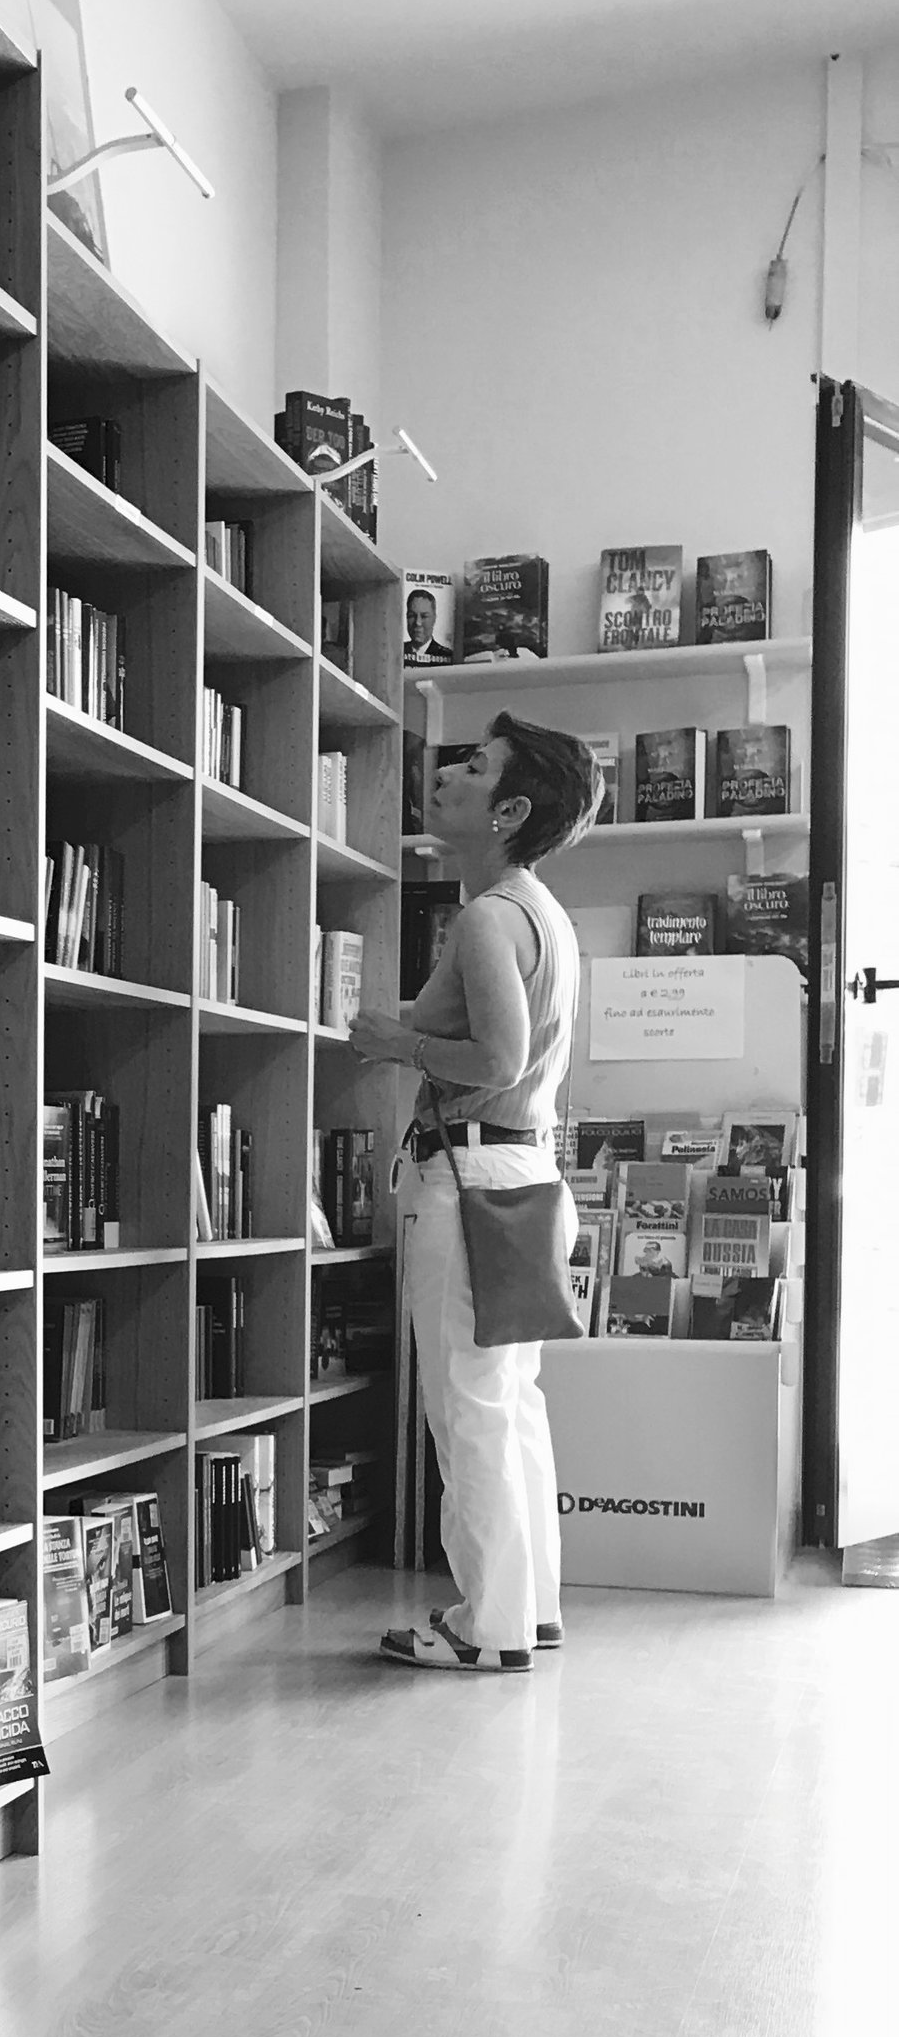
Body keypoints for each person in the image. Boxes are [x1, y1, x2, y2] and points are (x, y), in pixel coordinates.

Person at [348, 714, 601, 1672]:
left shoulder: (490, 916)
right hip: (521, 1173)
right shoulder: (541, 909)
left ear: (509, 811)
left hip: (470, 1175)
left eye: (475, 765)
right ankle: (526, 1609)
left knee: (469, 1407)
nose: (449, 771)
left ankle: (487, 1628)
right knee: (509, 1402)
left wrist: (393, 1040)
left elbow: (493, 1058)